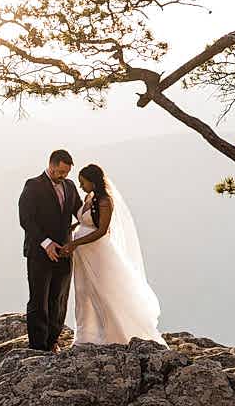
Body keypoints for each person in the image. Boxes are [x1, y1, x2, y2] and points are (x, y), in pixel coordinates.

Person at [61, 163, 165, 346]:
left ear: (93, 182)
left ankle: (111, 334)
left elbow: (101, 230)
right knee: (83, 291)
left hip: (97, 252)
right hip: (83, 254)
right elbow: (86, 220)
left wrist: (75, 243)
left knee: (102, 292)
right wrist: (74, 228)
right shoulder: (89, 197)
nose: (81, 186)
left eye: (83, 182)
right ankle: (86, 334)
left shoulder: (105, 201)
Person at [18, 149, 83, 351]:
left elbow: (80, 212)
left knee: (59, 298)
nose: (63, 176)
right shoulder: (33, 185)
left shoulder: (71, 186)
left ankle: (52, 340)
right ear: (52, 165)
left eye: (67, 172)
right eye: (61, 171)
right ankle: (38, 346)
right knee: (39, 299)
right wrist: (46, 243)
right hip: (39, 252)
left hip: (64, 251)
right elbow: (26, 219)